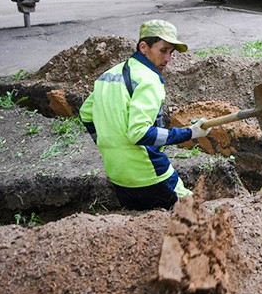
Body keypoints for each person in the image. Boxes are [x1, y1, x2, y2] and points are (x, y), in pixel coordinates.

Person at [80, 20, 209, 210]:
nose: (168, 58)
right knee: (194, 212)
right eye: (163, 50)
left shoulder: (108, 76)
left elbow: (86, 113)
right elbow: (139, 133)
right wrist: (189, 133)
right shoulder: (149, 80)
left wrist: (106, 142)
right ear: (143, 47)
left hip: (118, 176)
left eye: (171, 52)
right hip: (149, 175)